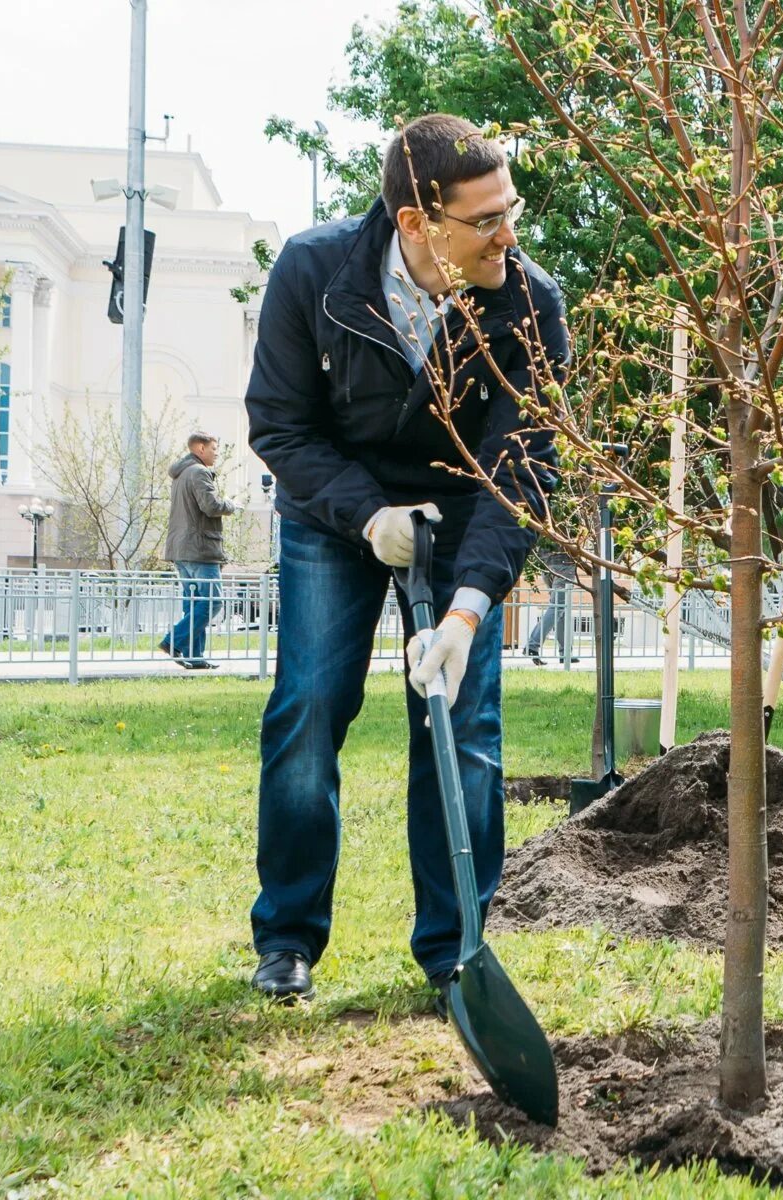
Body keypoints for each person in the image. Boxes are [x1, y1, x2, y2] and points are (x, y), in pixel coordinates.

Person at [244, 113, 567, 1005]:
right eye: (487, 219)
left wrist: (466, 610)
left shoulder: (529, 303)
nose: (509, 234)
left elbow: (521, 468)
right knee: (309, 706)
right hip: (333, 513)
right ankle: (288, 938)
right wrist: (367, 516)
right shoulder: (315, 272)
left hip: (466, 512)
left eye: (513, 209)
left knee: (461, 732)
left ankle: (456, 950)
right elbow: (279, 423)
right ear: (420, 224)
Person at [158, 432, 239, 669]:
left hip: (182, 550)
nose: (217, 453)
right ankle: (173, 640)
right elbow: (211, 506)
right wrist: (232, 505)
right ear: (201, 448)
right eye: (214, 448)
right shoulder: (199, 472)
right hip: (200, 549)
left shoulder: (181, 473)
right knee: (213, 601)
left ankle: (195, 657)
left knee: (194, 604)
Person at [524, 548, 579, 666]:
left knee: (560, 610)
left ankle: (565, 653)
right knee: (558, 607)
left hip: (546, 564)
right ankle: (532, 646)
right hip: (564, 564)